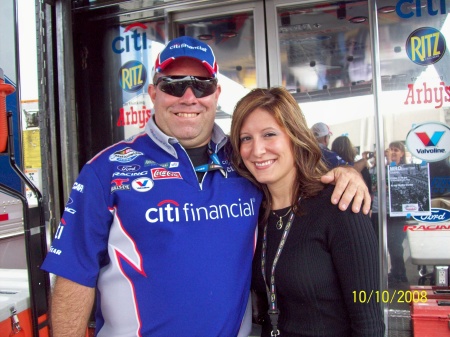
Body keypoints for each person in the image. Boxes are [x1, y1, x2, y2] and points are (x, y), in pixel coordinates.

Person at [41, 37, 371, 337]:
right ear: (154, 93)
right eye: (174, 84)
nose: (189, 96)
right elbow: (73, 274)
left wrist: (345, 171)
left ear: (216, 94)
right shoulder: (106, 169)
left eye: (201, 85)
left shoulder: (244, 159)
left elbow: (294, 150)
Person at [229, 87, 384, 337]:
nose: (256, 150)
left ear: (295, 136)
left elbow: (369, 324)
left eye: (269, 134)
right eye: (246, 138)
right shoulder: (251, 212)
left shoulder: (339, 205)